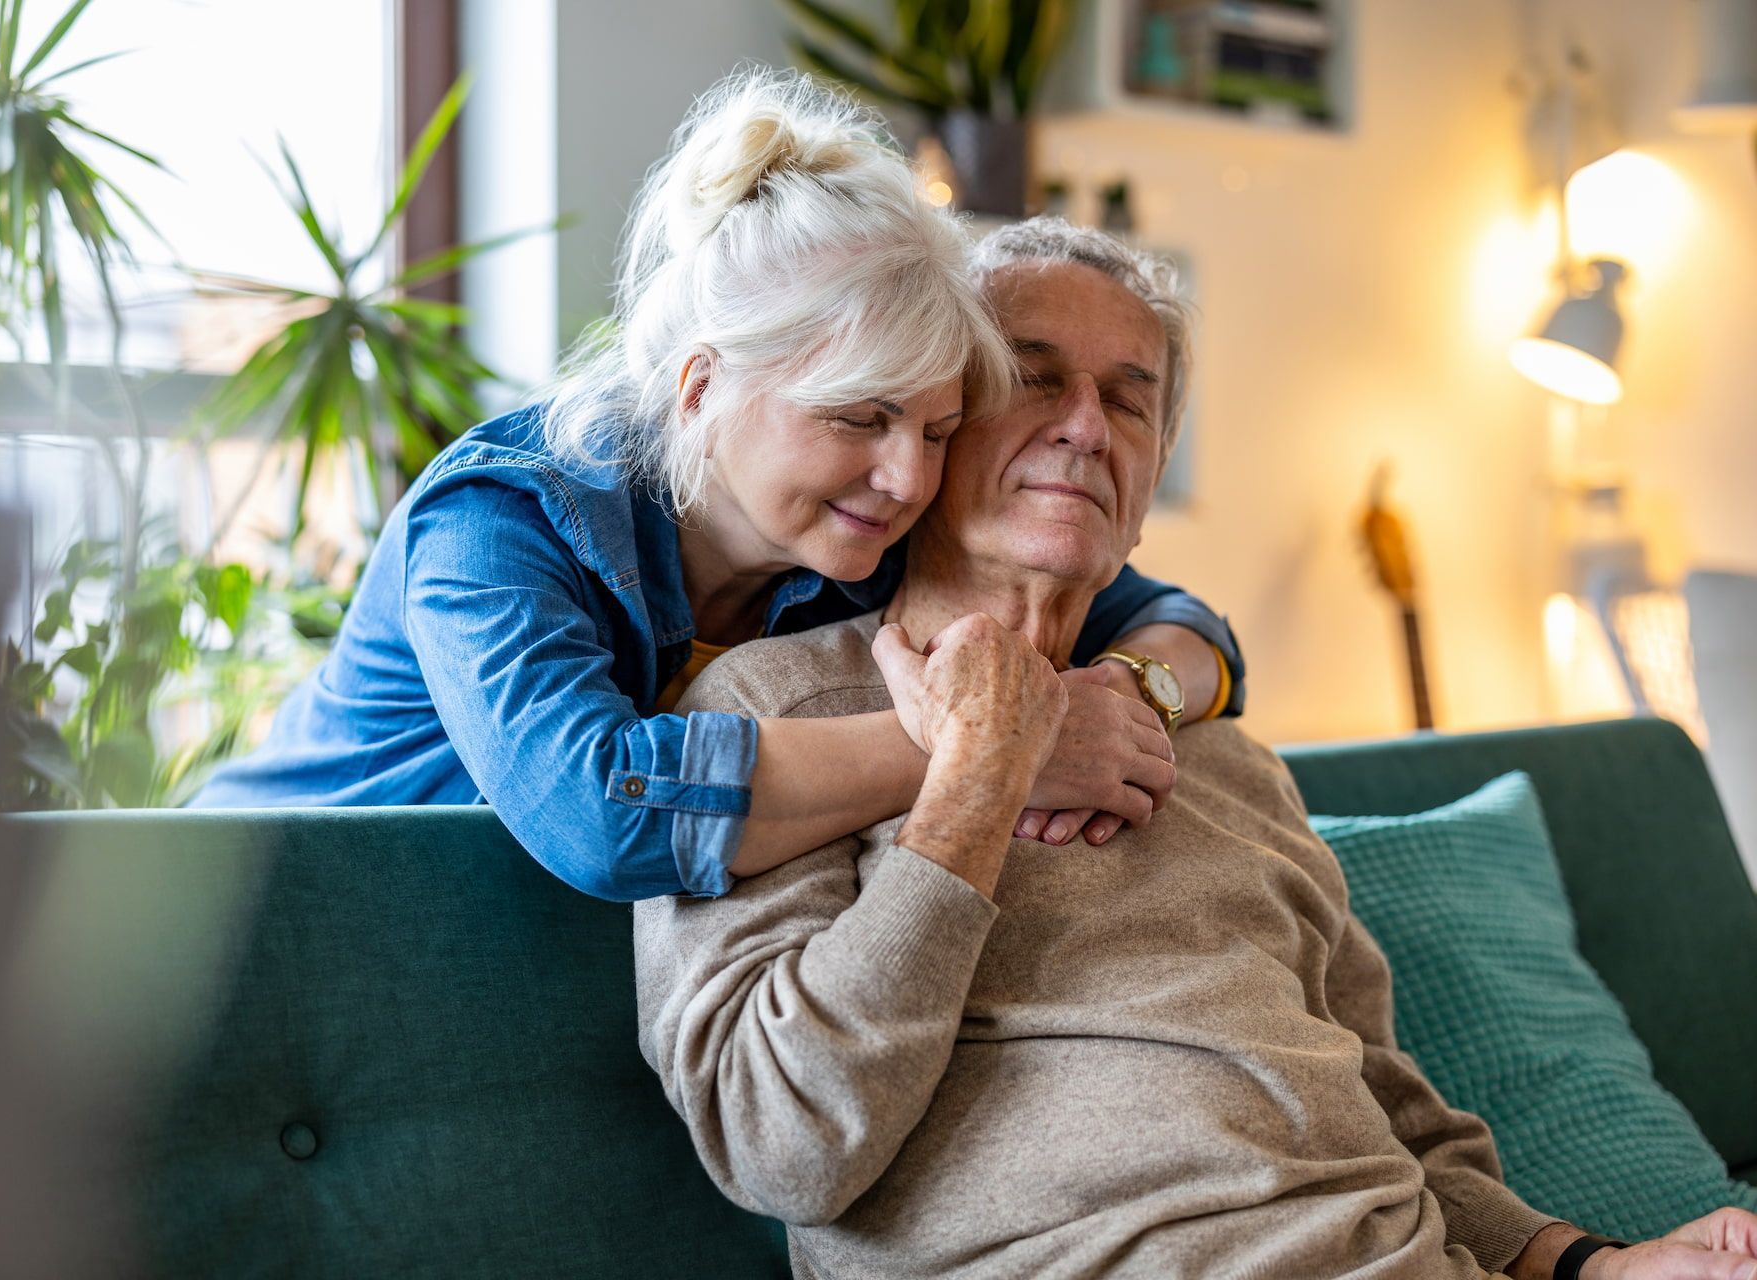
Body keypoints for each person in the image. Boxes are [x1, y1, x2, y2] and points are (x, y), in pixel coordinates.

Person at [633, 218, 1757, 1279]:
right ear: (931, 429)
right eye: (1032, 379)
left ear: (1146, 487)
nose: (1085, 425)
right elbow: (783, 1147)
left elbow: (1390, 1099)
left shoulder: (1223, 759)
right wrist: (976, 779)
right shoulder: (765, 724)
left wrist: (1588, 1259)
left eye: (1131, 402)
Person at [191, 71, 1246, 901]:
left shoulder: (859, 536)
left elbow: (1176, 620)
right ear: (700, 387)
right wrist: (996, 749)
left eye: (937, 428)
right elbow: (603, 808)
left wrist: (1131, 690)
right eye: (857, 417)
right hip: (249, 928)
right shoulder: (499, 520)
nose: (908, 474)